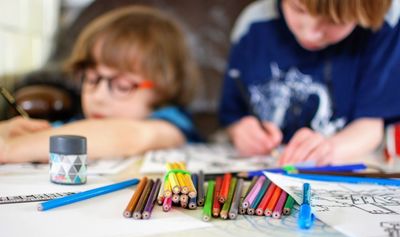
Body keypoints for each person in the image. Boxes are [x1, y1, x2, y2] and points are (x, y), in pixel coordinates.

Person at [0, 5, 200, 163]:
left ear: (162, 90)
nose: (98, 96)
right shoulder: (79, 123)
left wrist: (11, 149)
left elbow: (133, 136)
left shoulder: (172, 122)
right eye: (92, 78)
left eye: (122, 85)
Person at [219, 0, 400, 165]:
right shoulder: (253, 25)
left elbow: (371, 125)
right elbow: (233, 112)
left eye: (334, 21)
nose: (311, 34)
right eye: (299, 10)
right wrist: (239, 131)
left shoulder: (385, 24)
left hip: (346, 168)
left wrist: (330, 149)